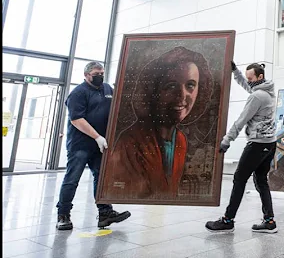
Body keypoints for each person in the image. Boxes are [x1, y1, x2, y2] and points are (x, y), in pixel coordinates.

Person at [104, 46, 213, 199]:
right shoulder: (131, 141)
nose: (182, 95)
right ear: (153, 91)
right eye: (171, 86)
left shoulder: (180, 140)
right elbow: (126, 191)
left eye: (190, 85)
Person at [56, 61, 130, 230]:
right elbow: (76, 119)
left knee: (101, 178)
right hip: (80, 145)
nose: (100, 77)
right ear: (86, 75)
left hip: (100, 145)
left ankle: (105, 213)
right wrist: (97, 136)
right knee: (72, 179)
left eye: (102, 73)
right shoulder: (78, 93)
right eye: (96, 74)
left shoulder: (107, 89)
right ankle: (63, 215)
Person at [206, 62, 278, 233]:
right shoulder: (267, 91)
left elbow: (241, 120)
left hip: (258, 144)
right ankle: (269, 221)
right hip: (270, 143)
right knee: (261, 180)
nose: (249, 81)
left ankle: (228, 220)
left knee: (239, 179)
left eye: (251, 78)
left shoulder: (257, 96)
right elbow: (249, 87)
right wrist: (235, 72)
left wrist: (227, 140)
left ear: (259, 77)